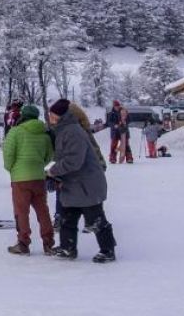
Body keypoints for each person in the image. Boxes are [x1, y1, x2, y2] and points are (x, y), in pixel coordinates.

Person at [46, 99, 118, 264]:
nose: (49, 117)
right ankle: (67, 248)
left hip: (86, 185)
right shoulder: (63, 130)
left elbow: (73, 161)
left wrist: (52, 170)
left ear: (59, 115)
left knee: (96, 220)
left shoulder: (72, 131)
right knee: (67, 218)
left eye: (52, 114)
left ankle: (108, 250)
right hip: (74, 184)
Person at [2, 104, 55, 255]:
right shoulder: (44, 134)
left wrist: (12, 169)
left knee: (21, 211)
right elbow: (49, 156)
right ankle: (49, 243)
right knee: (43, 210)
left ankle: (23, 243)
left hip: (20, 178)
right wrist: (38, 166)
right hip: (39, 177)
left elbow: (8, 156)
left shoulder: (15, 132)